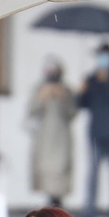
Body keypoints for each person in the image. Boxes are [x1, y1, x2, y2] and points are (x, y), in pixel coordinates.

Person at [78, 42, 109, 217]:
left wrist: (106, 83)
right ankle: (89, 210)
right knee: (93, 174)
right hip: (96, 133)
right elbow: (82, 104)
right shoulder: (91, 78)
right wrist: (82, 91)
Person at [28, 57, 77, 207]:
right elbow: (31, 111)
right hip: (44, 138)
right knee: (45, 169)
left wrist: (63, 98)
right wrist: (42, 98)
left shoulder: (66, 90)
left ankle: (58, 201)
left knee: (61, 169)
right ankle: (49, 201)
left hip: (61, 137)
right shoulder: (39, 88)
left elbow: (72, 113)